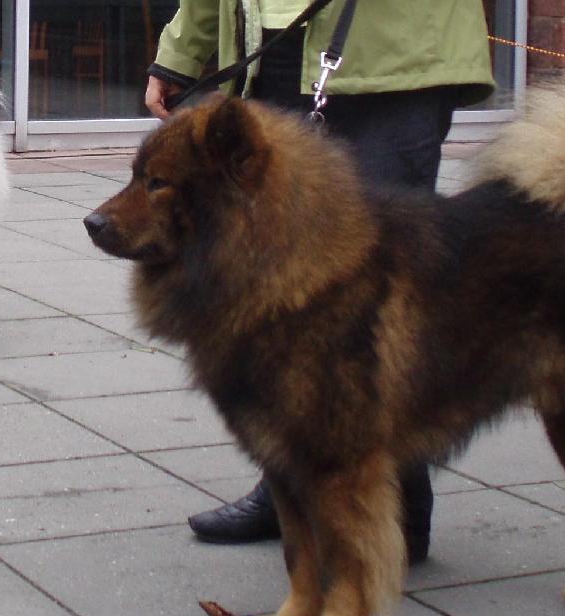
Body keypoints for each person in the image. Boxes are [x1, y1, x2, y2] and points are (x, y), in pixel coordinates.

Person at [145, 0, 495, 562]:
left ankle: (399, 508)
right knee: (272, 300)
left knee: (376, 297)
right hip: (273, 47)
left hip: (394, 58)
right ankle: (287, 487)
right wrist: (182, 50)